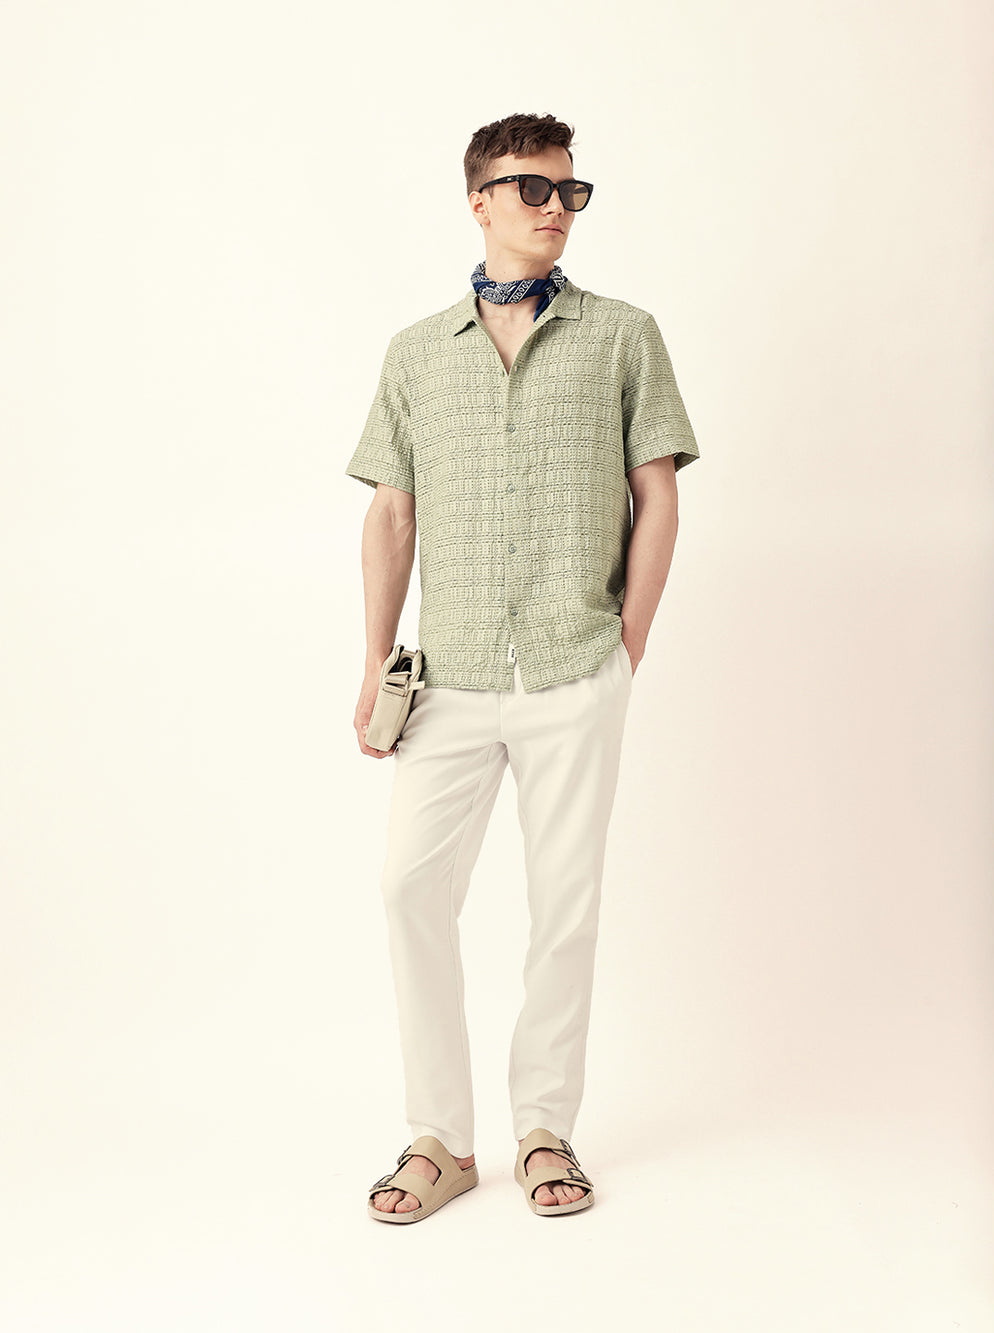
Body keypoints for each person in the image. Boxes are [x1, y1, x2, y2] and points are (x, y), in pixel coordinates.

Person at [346, 112, 699, 1223]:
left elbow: (657, 496)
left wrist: (626, 642)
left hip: (575, 662)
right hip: (446, 673)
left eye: (569, 191)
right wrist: (373, 660)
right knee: (409, 888)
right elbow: (392, 514)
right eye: (532, 188)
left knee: (564, 906)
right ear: (479, 200)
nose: (556, 208)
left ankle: (544, 1127)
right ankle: (440, 1139)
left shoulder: (624, 336)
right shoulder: (416, 351)